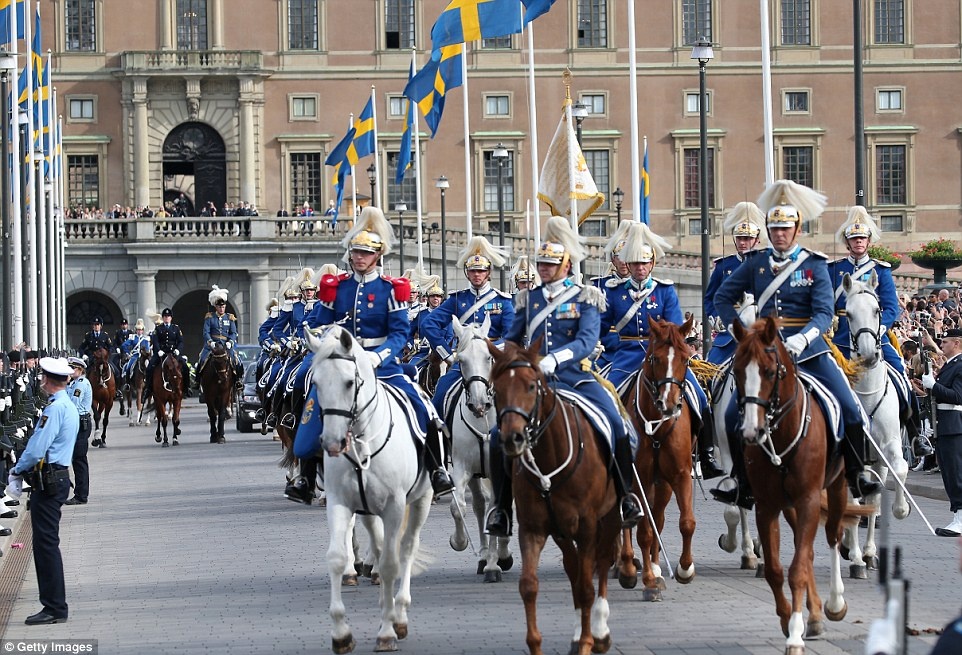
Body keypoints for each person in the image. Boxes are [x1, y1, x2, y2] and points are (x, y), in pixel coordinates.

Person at [711, 179, 882, 509]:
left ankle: (857, 474)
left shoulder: (814, 264)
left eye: (785, 228)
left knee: (851, 408)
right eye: (774, 228)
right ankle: (740, 481)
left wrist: (804, 338)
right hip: (766, 350)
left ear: (796, 229)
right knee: (732, 411)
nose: (779, 234)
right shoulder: (755, 263)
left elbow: (823, 312)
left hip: (809, 351)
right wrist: (742, 331)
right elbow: (721, 296)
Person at [485, 216, 643, 538]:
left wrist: (554, 359)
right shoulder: (528, 301)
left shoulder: (585, 297)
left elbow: (586, 341)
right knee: (495, 436)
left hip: (577, 378)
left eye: (550, 264)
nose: (543, 269)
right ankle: (502, 509)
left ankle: (626, 496)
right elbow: (514, 339)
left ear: (566, 264)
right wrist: (507, 358)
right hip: (536, 383)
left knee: (616, 424)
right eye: (541, 263)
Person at [292, 206, 455, 498]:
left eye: (365, 253)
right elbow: (320, 323)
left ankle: (437, 467)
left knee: (423, 406)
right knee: (312, 398)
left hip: (381, 365)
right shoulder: (337, 288)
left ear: (377, 255)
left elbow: (400, 333)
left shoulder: (391, 290)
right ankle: (305, 476)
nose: (358, 258)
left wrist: (378, 356)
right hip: (343, 363)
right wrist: (318, 339)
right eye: (355, 252)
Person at [600, 222, 723, 480]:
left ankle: (706, 453)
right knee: (605, 398)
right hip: (627, 356)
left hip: (665, 359)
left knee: (699, 396)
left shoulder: (664, 291)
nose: (640, 268)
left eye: (644, 263)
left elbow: (676, 328)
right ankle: (607, 453)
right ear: (628, 265)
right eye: (635, 264)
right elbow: (601, 327)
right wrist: (603, 344)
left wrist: (668, 348)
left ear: (652, 263)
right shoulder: (613, 293)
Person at [829, 206, 930, 455]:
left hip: (876, 336)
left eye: (862, 238)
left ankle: (916, 435)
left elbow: (891, 307)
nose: (858, 242)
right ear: (847, 242)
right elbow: (825, 304)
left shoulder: (880, 269)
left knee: (901, 377)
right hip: (842, 338)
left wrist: (880, 328)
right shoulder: (834, 270)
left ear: (869, 241)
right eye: (854, 239)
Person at [7, 357, 79, 625]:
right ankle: (54, 605)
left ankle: (54, 607)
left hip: (49, 480)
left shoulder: (55, 409)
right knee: (46, 543)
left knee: (45, 545)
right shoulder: (66, 405)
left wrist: (16, 470)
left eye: (41, 378)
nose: (39, 381)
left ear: (48, 380)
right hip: (56, 479)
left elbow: (37, 447)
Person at [421, 235, 514, 423]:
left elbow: (511, 335)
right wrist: (447, 354)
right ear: (467, 273)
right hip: (464, 360)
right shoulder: (457, 299)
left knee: (518, 397)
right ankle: (439, 443)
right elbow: (428, 324)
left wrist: (494, 350)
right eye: (473, 271)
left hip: (493, 359)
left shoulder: (502, 301)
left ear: (488, 273)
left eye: (481, 271)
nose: (476, 275)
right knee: (440, 394)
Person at [705, 202, 764, 365]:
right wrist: (714, 317)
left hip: (759, 330)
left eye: (747, 238)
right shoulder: (724, 266)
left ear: (757, 240)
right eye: (739, 238)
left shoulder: (766, 264)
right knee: (709, 371)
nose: (743, 242)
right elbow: (709, 298)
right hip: (729, 332)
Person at [921, 327, 962, 536]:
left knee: (955, 474)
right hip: (945, 425)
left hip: (954, 425)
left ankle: (960, 518)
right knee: (949, 472)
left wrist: (934, 386)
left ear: (956, 343)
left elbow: (957, 396)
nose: (942, 345)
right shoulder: (952, 364)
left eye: (945, 342)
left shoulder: (960, 365)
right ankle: (957, 516)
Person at [196, 285, 244, 391]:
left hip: (225, 346)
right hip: (212, 346)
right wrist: (210, 342)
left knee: (237, 361)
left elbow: (233, 332)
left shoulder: (230, 317)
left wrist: (230, 342)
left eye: (223, 306)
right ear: (216, 307)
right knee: (202, 360)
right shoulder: (210, 317)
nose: (221, 308)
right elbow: (206, 332)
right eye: (219, 307)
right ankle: (197, 381)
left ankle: (238, 380)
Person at [142, 308, 190, 405]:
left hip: (173, 353)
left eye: (168, 316)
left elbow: (181, 341)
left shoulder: (176, 328)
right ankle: (148, 389)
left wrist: (178, 350)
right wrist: (158, 350)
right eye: (165, 317)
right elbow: (155, 341)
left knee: (185, 367)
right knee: (150, 367)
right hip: (162, 353)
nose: (166, 318)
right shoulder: (158, 328)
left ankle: (186, 388)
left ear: (171, 318)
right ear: (163, 318)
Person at [65, 357, 93, 506]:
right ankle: (80, 493)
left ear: (80, 370)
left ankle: (81, 495)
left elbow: (73, 405)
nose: (70, 371)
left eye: (73, 369)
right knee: (77, 459)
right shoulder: (73, 384)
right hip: (77, 422)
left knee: (79, 459)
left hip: (80, 422)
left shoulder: (80, 385)